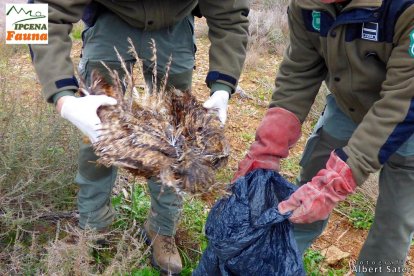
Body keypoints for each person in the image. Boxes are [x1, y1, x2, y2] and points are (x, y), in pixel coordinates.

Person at [29, 0, 249, 274]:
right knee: (99, 129)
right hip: (109, 18)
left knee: (176, 138)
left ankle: (162, 229)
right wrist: (61, 96)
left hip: (175, 24)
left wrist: (223, 86)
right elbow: (34, 12)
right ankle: (93, 225)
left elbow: (232, 12)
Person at [233, 0, 414, 274]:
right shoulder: (308, 5)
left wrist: (338, 181)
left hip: (408, 117)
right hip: (347, 106)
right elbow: (299, 71)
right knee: (307, 190)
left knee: (394, 221)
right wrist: (268, 147)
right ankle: (273, 264)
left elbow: (402, 100)